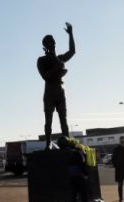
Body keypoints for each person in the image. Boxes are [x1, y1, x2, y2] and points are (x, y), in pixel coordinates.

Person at [37, 22, 75, 150]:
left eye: (54, 42)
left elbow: (72, 52)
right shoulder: (41, 60)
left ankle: (67, 141)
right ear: (46, 46)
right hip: (49, 93)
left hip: (60, 91)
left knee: (63, 120)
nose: (53, 45)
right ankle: (48, 142)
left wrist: (70, 34)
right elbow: (45, 76)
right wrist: (57, 67)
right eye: (51, 43)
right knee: (48, 121)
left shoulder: (58, 58)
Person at [64, 138, 89, 202]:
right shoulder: (81, 155)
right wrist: (86, 174)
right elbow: (82, 166)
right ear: (81, 149)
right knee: (83, 193)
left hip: (72, 177)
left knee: (74, 194)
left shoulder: (71, 155)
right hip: (79, 176)